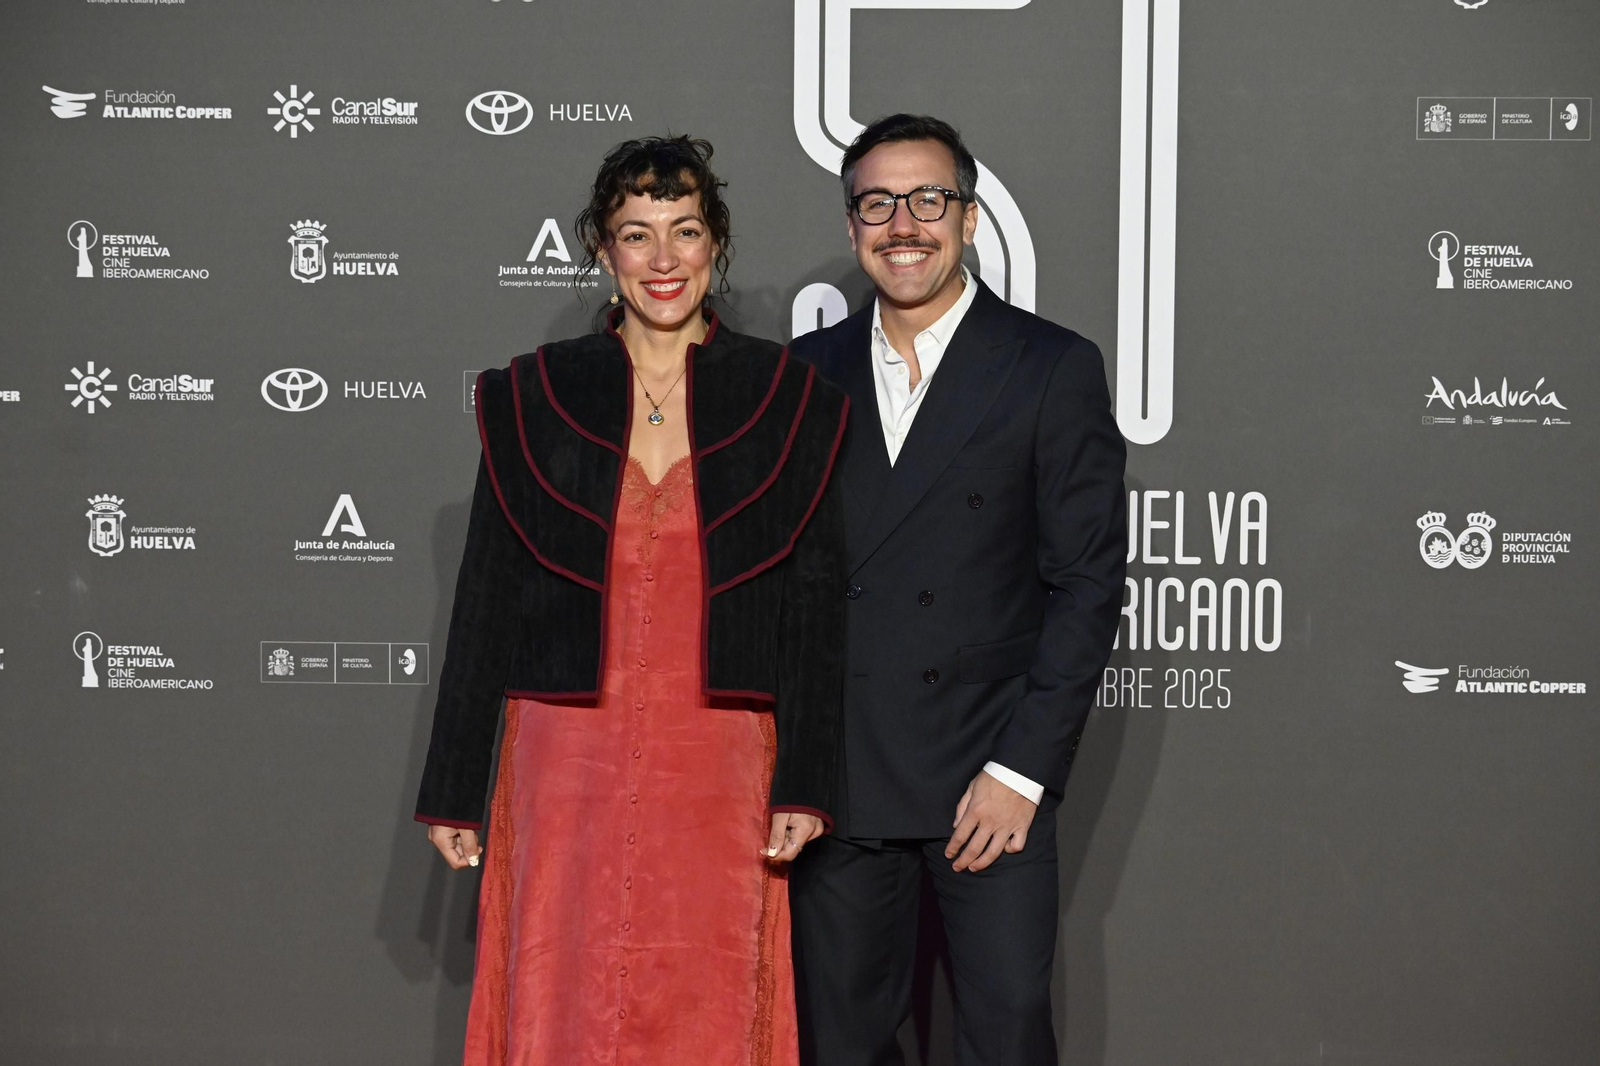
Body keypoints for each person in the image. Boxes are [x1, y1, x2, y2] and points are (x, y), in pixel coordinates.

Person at [414, 135, 849, 1066]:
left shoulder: (783, 396)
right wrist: (455, 782)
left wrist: (806, 780)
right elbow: (486, 592)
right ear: (603, 251)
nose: (663, 260)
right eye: (636, 235)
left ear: (716, 244)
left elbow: (815, 605)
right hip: (565, 751)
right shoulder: (536, 394)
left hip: (720, 751)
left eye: (685, 232)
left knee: (710, 981)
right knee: (564, 981)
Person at [787, 114, 1128, 1065]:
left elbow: (1088, 585)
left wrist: (1021, 775)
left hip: (990, 779)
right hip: (846, 785)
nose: (905, 224)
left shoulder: (1049, 366)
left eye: (929, 200)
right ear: (853, 226)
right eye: (878, 204)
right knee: (841, 1045)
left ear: (969, 219)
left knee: (1004, 1035)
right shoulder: (806, 376)